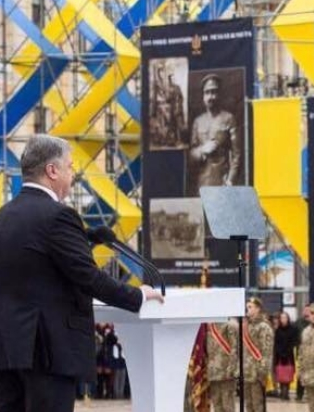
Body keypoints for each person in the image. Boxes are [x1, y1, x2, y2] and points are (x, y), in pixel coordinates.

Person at [0, 134, 163, 412]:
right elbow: (88, 276)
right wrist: (137, 294)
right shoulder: (58, 216)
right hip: (48, 353)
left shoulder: (4, 215)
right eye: (70, 167)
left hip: (8, 350)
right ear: (52, 171)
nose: (72, 175)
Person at [188, 74, 242, 190]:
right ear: (203, 96)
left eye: (214, 92)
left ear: (220, 95)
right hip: (202, 183)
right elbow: (191, 155)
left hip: (223, 182)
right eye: (207, 93)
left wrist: (230, 181)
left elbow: (236, 154)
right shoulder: (198, 121)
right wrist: (203, 149)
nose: (210, 97)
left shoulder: (228, 118)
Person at [242, 298, 275, 412]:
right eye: (247, 307)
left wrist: (263, 372)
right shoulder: (247, 326)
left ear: (258, 309)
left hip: (257, 373)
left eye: (250, 307)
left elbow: (267, 351)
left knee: (258, 406)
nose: (248, 309)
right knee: (249, 405)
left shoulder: (264, 327)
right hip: (247, 372)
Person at [150, 62, 187, 148]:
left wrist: (178, 105)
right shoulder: (165, 86)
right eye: (171, 78)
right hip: (169, 108)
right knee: (169, 124)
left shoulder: (177, 87)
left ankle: (178, 140)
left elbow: (181, 97)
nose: (172, 80)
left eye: (173, 78)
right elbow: (165, 98)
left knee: (178, 124)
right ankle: (168, 140)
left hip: (177, 108)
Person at [207, 319, 239, 412]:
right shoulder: (209, 325)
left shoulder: (230, 325)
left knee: (228, 405)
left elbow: (235, 348)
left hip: (226, 371)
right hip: (213, 372)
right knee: (217, 405)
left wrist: (232, 369)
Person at [273, 311, 299, 400]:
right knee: (280, 376)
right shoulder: (277, 330)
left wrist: (287, 351)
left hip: (289, 356)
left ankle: (285, 393)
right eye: (282, 318)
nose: (283, 320)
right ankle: (282, 392)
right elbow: (275, 343)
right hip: (279, 356)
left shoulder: (293, 329)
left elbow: (294, 342)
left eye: (285, 318)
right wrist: (280, 351)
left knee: (287, 376)